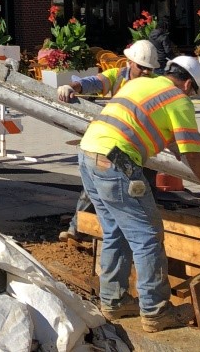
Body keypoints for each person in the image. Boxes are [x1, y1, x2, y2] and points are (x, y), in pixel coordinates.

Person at [77, 62, 200, 333]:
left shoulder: (141, 84)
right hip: (117, 160)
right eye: (193, 92)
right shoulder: (179, 99)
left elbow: (169, 138)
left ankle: (114, 300)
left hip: (87, 154)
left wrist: (181, 152)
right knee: (148, 235)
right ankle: (156, 311)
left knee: (115, 230)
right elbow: (192, 152)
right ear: (188, 84)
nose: (190, 97)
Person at [54, 40, 161, 242]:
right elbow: (92, 82)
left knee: (144, 189)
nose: (146, 72)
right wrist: (71, 86)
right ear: (130, 62)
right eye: (142, 68)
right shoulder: (117, 76)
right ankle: (76, 229)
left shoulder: (154, 83)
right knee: (93, 189)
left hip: (140, 148)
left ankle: (146, 232)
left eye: (149, 69)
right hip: (116, 147)